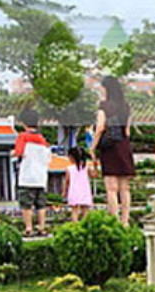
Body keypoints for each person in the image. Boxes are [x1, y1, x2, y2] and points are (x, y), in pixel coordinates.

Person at [91, 76, 135, 226]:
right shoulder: (126, 107)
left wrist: (92, 148)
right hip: (124, 146)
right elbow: (127, 131)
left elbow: (100, 128)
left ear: (106, 88)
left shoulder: (104, 106)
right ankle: (125, 221)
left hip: (110, 148)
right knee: (125, 188)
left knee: (111, 188)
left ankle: (114, 220)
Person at [13, 108, 50, 237]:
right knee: (41, 204)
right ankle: (42, 227)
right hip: (41, 178)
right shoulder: (42, 139)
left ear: (23, 123)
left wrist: (11, 154)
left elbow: (19, 152)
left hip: (27, 177)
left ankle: (29, 228)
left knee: (26, 205)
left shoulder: (23, 136)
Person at [63, 146, 93, 222]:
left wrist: (64, 192)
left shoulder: (69, 168)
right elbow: (94, 175)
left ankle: (75, 226)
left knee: (74, 210)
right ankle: (85, 226)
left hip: (73, 191)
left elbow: (67, 182)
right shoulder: (86, 167)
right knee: (85, 211)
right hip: (85, 191)